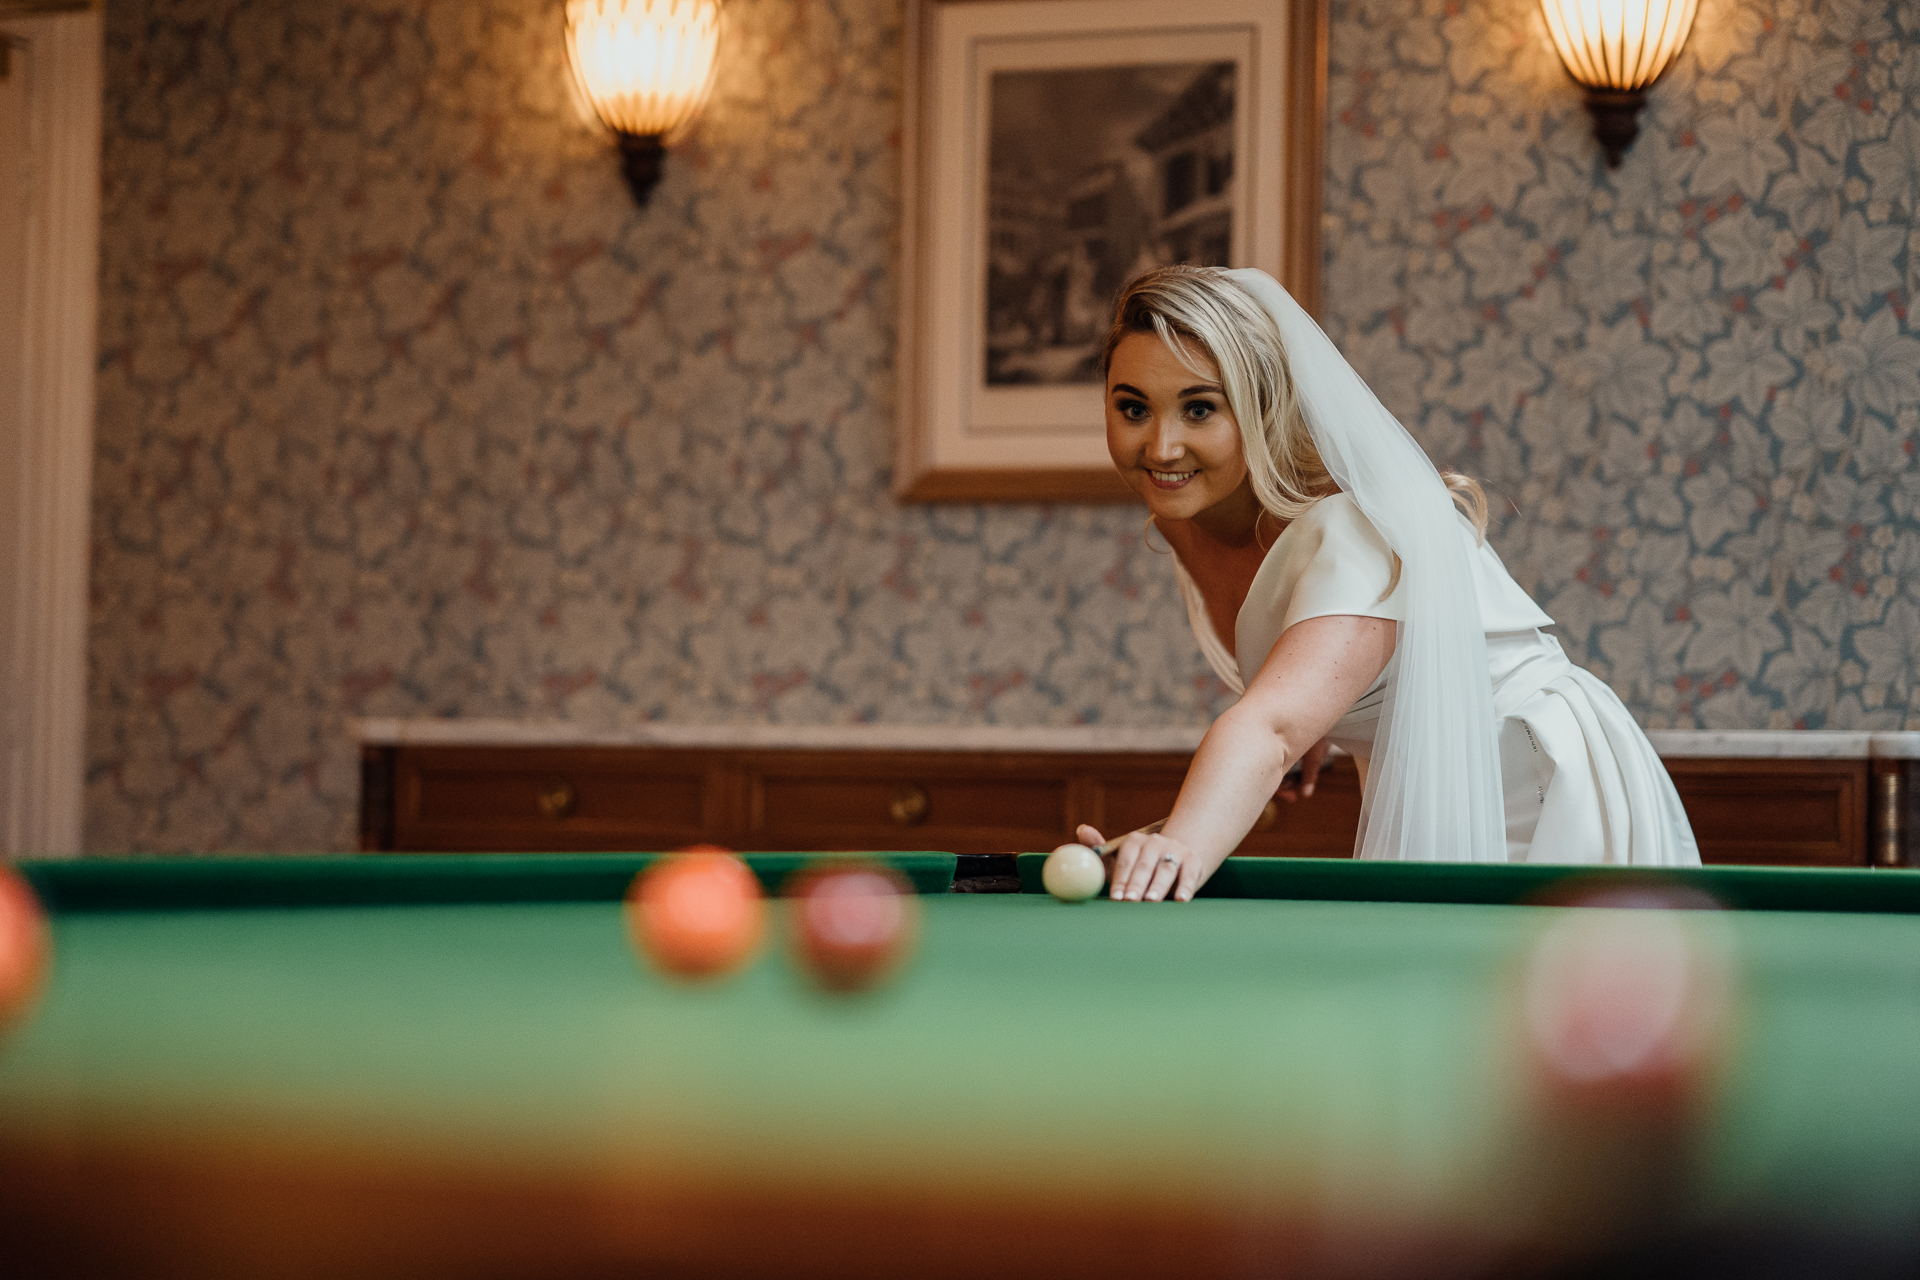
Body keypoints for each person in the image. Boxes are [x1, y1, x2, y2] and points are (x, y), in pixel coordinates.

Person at [1076, 266, 1699, 902]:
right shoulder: (1186, 517)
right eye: (1133, 408)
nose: (1162, 445)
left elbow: (1270, 726)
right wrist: (1319, 722)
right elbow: (1312, 687)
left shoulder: (1356, 527)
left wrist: (1177, 848)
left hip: (1543, 790)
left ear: (1262, 408)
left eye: (1199, 408)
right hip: (1429, 787)